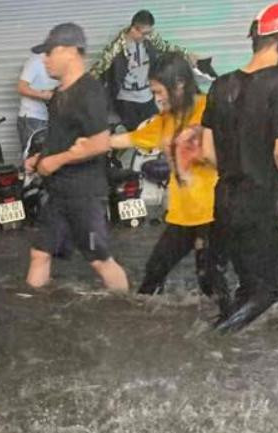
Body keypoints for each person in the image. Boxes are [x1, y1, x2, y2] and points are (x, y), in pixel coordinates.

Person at [200, 3, 278, 332]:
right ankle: (214, 340)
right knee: (265, 292)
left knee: (246, 287)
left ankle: (225, 344)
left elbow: (207, 151)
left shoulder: (219, 86)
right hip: (260, 200)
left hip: (224, 200)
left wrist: (238, 167)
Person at [99, 54, 225, 298]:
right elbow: (125, 139)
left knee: (209, 279)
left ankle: (229, 328)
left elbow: (231, 155)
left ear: (179, 84)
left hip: (213, 213)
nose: (156, 98)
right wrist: (85, 144)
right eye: (153, 91)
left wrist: (198, 150)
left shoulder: (209, 109)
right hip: (182, 216)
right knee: (154, 273)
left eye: (159, 91)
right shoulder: (163, 121)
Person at [25, 23, 129, 293]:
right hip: (58, 192)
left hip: (84, 193)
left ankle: (126, 307)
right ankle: (34, 313)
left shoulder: (90, 91)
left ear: (70, 51)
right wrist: (39, 158)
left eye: (49, 53)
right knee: (40, 253)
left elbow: (100, 142)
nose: (44, 60)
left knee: (100, 260)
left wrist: (56, 161)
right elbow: (61, 138)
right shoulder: (59, 95)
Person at [91, 10, 194, 132]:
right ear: (134, 29)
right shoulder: (117, 47)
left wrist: (187, 54)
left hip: (148, 96)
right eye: (144, 33)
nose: (147, 36)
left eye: (149, 33)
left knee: (156, 129)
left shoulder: (149, 37)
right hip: (127, 100)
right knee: (135, 134)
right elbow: (100, 68)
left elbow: (165, 47)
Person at [17, 51, 59, 154]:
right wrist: (46, 95)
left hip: (48, 118)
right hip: (32, 118)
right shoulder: (35, 62)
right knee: (33, 157)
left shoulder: (59, 65)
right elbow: (21, 88)